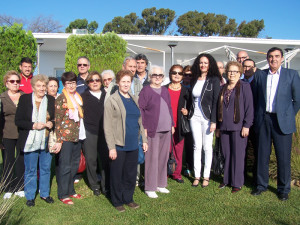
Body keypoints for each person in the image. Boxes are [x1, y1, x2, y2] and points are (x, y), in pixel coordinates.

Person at [251, 47, 300, 201]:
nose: (273, 59)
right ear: (267, 59)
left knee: (283, 157)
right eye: (271, 56)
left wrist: (288, 115)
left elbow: (297, 99)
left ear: (282, 58)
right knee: (262, 155)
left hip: (282, 121)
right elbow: (254, 98)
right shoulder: (260, 75)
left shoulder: (291, 75)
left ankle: (283, 189)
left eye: (277, 56)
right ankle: (261, 186)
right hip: (263, 119)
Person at [104, 70, 148, 212]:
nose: (126, 84)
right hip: (118, 144)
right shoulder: (112, 100)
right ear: (118, 83)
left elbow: (140, 121)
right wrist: (111, 147)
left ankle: (128, 198)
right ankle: (117, 200)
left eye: (128, 81)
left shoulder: (134, 98)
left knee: (130, 174)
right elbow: (107, 126)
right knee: (117, 174)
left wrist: (144, 140)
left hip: (133, 144)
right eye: (123, 81)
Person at [15, 74, 55, 207]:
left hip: (46, 139)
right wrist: (33, 125)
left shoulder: (50, 99)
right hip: (30, 139)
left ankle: (44, 193)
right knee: (31, 169)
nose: (42, 88)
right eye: (39, 86)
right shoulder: (25, 99)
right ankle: (30, 196)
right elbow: (18, 121)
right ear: (33, 87)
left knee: (45, 168)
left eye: (44, 85)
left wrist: (51, 124)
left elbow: (55, 119)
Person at [216, 61, 254, 193]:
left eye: (235, 71)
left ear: (240, 73)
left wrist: (247, 125)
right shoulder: (223, 88)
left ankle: (237, 182)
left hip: (239, 127)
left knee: (237, 155)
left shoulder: (244, 86)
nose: (232, 73)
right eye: (230, 71)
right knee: (227, 154)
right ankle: (226, 179)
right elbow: (219, 108)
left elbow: (249, 107)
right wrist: (218, 127)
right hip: (224, 127)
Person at [138, 65, 174, 198]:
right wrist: (144, 128)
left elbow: (169, 107)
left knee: (163, 158)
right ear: (150, 76)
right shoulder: (146, 91)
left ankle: (161, 184)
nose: (157, 78)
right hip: (152, 130)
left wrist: (172, 124)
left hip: (166, 128)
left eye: (160, 76)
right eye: (154, 75)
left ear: (163, 78)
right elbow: (141, 110)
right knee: (152, 158)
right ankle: (150, 186)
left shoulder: (165, 90)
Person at [53, 71, 86, 205]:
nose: (71, 85)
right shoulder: (61, 98)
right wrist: (59, 140)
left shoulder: (77, 97)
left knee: (74, 165)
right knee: (65, 166)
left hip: (77, 136)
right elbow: (58, 120)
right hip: (66, 137)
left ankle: (71, 190)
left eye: (73, 83)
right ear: (64, 84)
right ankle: (63, 193)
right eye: (68, 83)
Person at [189, 53, 221, 188]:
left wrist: (214, 121)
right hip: (194, 117)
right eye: (201, 62)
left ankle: (206, 176)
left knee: (207, 147)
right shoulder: (195, 79)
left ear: (210, 64)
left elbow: (215, 102)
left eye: (206, 63)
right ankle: (197, 175)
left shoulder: (214, 80)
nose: (203, 65)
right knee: (197, 146)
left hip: (207, 118)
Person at [81, 71, 107, 196]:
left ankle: (105, 185)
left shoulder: (107, 95)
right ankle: (94, 184)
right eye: (92, 80)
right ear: (88, 83)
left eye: (97, 80)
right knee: (91, 159)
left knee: (104, 159)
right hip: (90, 131)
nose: (95, 82)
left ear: (101, 82)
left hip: (105, 132)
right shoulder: (83, 97)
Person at [0, 71, 24, 199]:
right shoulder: (2, 98)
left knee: (21, 160)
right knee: (8, 161)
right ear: (6, 83)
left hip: (22, 133)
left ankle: (20, 186)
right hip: (7, 133)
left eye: (17, 81)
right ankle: (8, 187)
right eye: (12, 81)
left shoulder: (24, 96)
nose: (15, 84)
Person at [165, 64, 189, 183]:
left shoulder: (186, 90)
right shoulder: (164, 89)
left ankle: (177, 173)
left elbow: (191, 107)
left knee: (178, 149)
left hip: (180, 124)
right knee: (166, 149)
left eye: (180, 73)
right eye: (174, 72)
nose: (177, 75)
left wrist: (187, 112)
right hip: (165, 123)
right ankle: (166, 172)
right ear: (170, 74)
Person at [122, 56, 144, 186]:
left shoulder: (137, 83)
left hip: (135, 122)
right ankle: (123, 178)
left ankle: (134, 179)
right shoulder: (116, 82)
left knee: (136, 151)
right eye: (130, 66)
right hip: (121, 124)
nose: (133, 69)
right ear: (124, 66)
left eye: (135, 67)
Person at [182, 65, 194, 177]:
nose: (188, 77)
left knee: (190, 145)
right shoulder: (178, 86)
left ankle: (189, 167)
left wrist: (188, 112)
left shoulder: (194, 88)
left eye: (190, 75)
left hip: (191, 119)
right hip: (179, 119)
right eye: (185, 74)